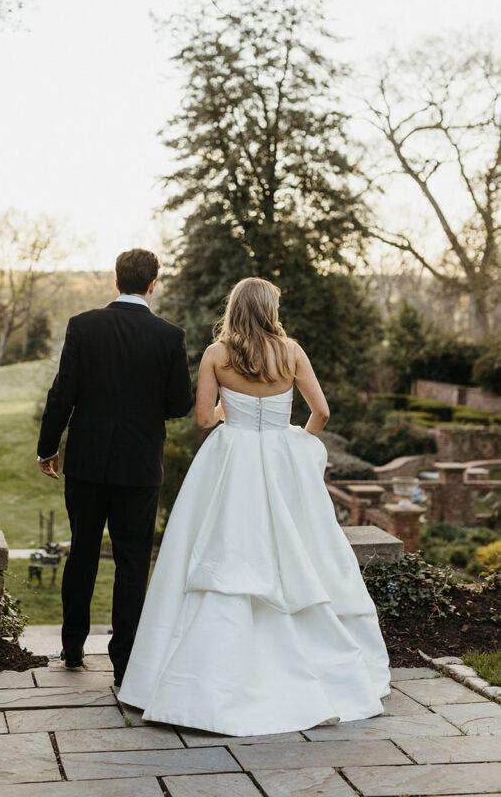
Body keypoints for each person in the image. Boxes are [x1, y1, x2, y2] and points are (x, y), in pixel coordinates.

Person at [118, 276, 390, 736]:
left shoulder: (217, 354)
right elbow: (320, 411)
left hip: (231, 461)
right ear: (270, 308)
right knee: (296, 553)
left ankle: (204, 678)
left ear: (234, 308)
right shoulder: (291, 351)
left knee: (224, 552)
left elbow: (204, 418)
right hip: (281, 463)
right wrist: (294, 442)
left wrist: (234, 414)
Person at [37, 248, 192, 687]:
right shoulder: (169, 336)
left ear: (116, 281)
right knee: (131, 561)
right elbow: (179, 405)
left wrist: (48, 448)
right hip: (140, 467)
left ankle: (72, 649)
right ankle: (125, 662)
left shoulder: (83, 326)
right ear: (153, 284)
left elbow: (62, 393)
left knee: (82, 551)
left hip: (86, 463)